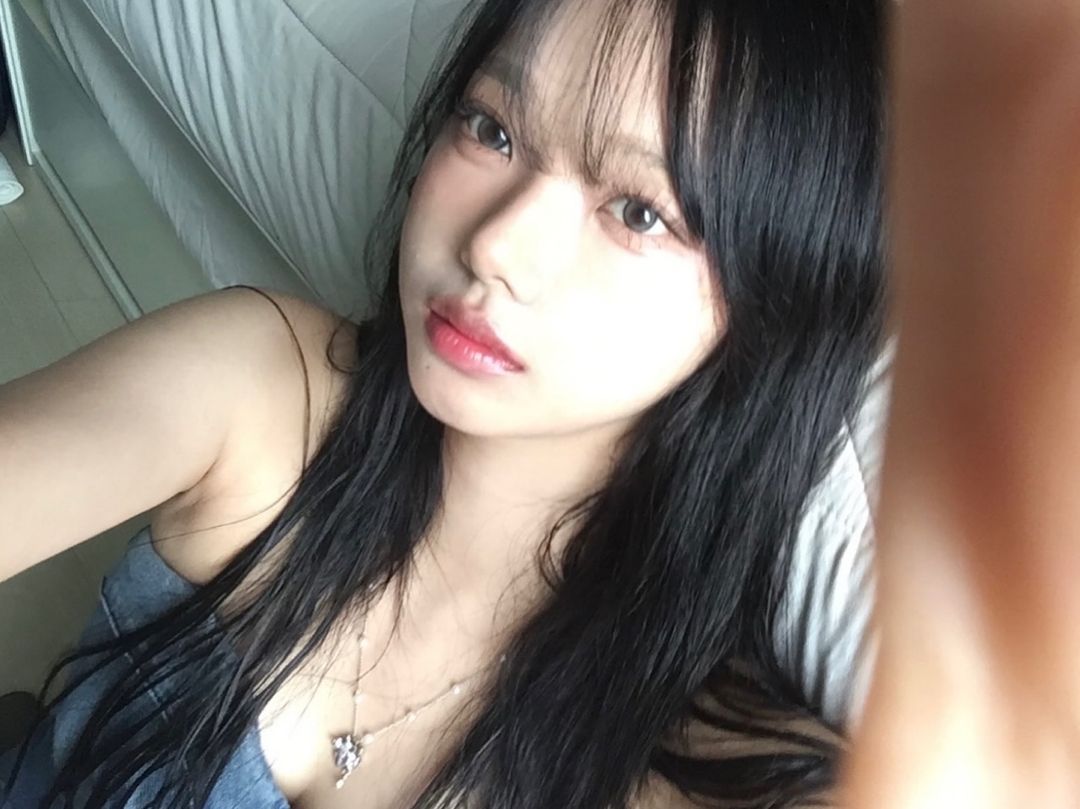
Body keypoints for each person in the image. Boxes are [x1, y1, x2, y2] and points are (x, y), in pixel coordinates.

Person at [1, 0, 893, 806]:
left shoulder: (714, 766)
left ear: (774, 295)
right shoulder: (263, 386)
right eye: (492, 128)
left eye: (638, 212)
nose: (495, 244)